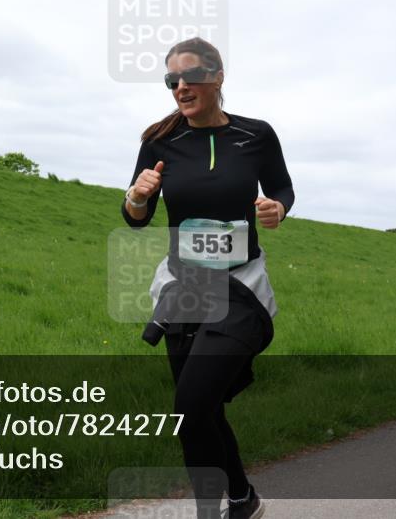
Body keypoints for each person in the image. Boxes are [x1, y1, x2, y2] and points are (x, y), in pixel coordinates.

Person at [121, 37, 294, 519]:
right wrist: (137, 197)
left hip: (240, 288)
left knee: (194, 405)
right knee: (198, 411)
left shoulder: (256, 135)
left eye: (190, 76)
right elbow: (137, 216)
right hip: (183, 288)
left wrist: (277, 207)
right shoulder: (159, 141)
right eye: (171, 80)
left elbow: (281, 186)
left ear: (217, 77)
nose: (180, 87)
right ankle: (241, 499)